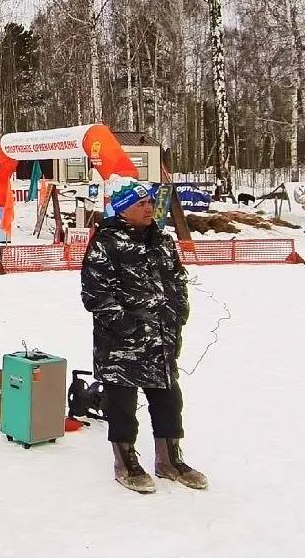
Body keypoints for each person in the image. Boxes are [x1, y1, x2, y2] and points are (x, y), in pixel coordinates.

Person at [80, 176, 208, 494]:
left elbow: (177, 280)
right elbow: (96, 295)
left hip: (162, 340)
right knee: (122, 406)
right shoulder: (106, 242)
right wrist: (127, 326)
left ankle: (170, 460)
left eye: (149, 202)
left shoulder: (162, 240)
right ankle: (126, 463)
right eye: (141, 204)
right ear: (123, 209)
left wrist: (178, 316)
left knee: (169, 401)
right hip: (121, 345)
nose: (149, 207)